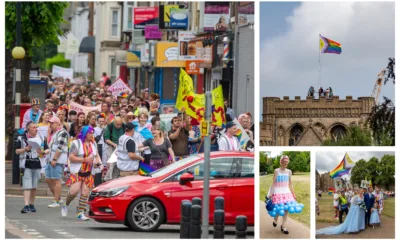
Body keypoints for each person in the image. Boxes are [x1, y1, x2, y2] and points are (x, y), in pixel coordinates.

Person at [61, 126, 102, 220]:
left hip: (89, 171)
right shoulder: (76, 143)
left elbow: (95, 156)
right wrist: (84, 160)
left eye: (93, 133)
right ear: (85, 133)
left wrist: (97, 163)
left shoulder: (94, 144)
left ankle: (80, 212)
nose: (92, 135)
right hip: (77, 171)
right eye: (90, 133)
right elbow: (71, 157)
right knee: (74, 191)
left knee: (85, 192)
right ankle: (65, 204)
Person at [16, 122, 48, 213]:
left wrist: (42, 152)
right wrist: (25, 149)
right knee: (27, 186)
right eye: (33, 127)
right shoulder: (21, 138)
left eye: (36, 127)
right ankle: (26, 205)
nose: (36, 129)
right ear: (28, 129)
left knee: (34, 186)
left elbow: (47, 149)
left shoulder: (41, 138)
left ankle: (31, 204)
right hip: (26, 164)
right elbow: (16, 151)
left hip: (37, 164)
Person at [267, 156, 299, 235]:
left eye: (287, 163)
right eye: (284, 163)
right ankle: (276, 219)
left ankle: (283, 226)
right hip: (277, 191)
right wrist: (271, 193)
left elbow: (290, 183)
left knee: (286, 209)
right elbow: (273, 183)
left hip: (286, 191)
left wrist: (293, 193)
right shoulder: (276, 171)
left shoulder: (289, 171)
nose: (285, 165)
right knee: (279, 208)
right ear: (281, 162)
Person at [46, 117, 69, 208]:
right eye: (50, 123)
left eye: (52, 123)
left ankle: (56, 200)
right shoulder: (54, 133)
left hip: (57, 160)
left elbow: (60, 147)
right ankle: (58, 199)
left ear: (57, 123)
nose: (50, 125)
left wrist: (55, 159)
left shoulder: (62, 133)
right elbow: (52, 147)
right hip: (51, 159)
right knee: (48, 179)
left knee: (56, 180)